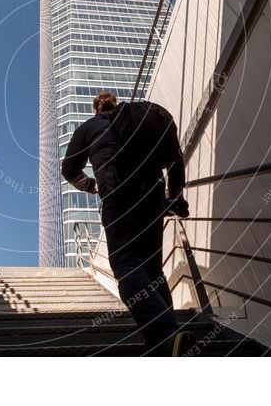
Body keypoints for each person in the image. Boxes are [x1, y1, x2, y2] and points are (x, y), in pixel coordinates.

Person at [61, 90, 194, 356]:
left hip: (119, 190)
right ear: (116, 105)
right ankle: (167, 339)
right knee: (153, 271)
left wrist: (91, 186)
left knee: (127, 264)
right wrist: (175, 196)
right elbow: (175, 159)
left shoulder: (89, 127)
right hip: (154, 194)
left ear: (96, 110)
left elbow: (69, 169)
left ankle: (166, 336)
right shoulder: (139, 117)